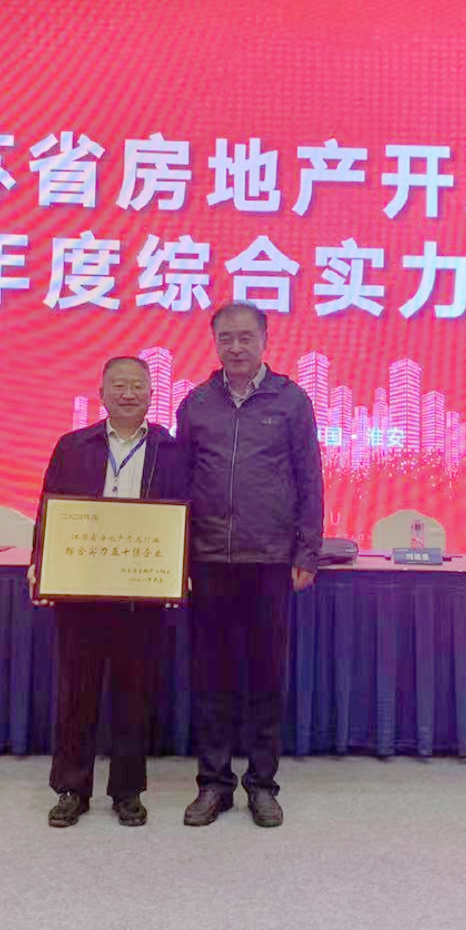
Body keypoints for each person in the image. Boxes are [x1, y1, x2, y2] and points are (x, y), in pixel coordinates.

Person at [175, 301, 324, 828]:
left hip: (269, 561)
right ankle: (214, 784)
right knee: (211, 678)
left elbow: (309, 480)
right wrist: (178, 555)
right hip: (209, 560)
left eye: (245, 337)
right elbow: (181, 483)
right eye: (226, 338)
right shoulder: (196, 404)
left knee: (265, 678)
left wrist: (307, 550)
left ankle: (262, 785)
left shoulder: (292, 401)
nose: (235, 347)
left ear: (265, 340)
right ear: (214, 342)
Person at [28, 356, 185, 828]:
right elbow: (49, 509)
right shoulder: (73, 445)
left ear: (152, 393)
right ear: (101, 394)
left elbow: (185, 513)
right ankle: (72, 789)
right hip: (81, 587)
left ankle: (127, 791)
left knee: (134, 693)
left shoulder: (171, 450)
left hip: (140, 590)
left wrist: (180, 570)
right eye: (118, 385)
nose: (128, 393)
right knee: (76, 691)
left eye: (137, 385)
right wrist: (40, 564)